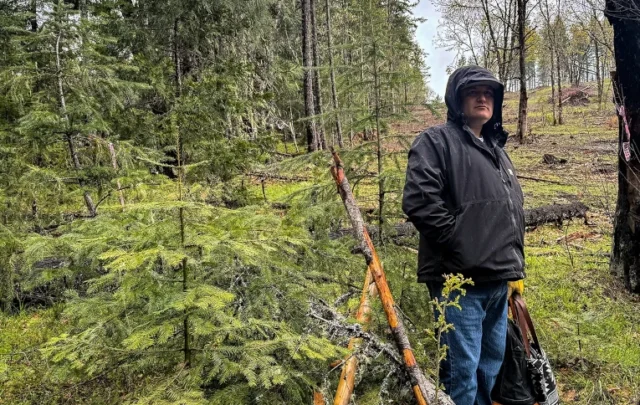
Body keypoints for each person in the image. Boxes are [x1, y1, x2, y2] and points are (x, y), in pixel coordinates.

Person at [402, 66, 525, 405]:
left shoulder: (497, 150)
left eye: (489, 92)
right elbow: (419, 201)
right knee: (461, 377)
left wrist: (513, 268)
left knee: (489, 370)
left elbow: (505, 211)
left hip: (498, 280)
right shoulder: (435, 142)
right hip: (459, 283)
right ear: (457, 99)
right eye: (474, 91)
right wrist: (463, 247)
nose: (483, 97)